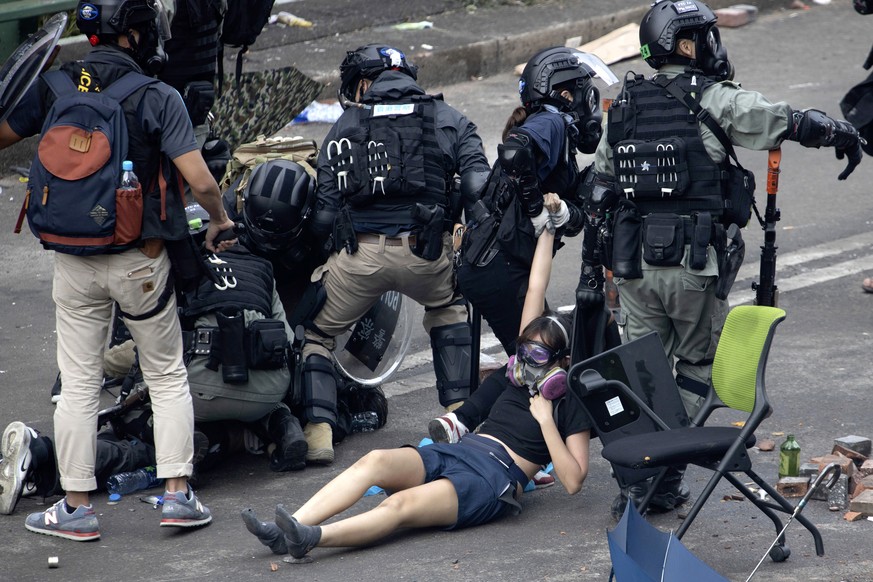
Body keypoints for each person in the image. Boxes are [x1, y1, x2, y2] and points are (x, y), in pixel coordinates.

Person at [582, 0, 864, 519]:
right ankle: (660, 475)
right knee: (696, 369)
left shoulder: (624, 105)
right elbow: (777, 119)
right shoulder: (710, 98)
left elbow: (599, 186)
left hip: (634, 268)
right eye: (704, 37)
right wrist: (836, 131)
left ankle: (639, 477)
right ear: (687, 45)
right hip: (691, 268)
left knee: (645, 375)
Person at [0, 0, 237, 540]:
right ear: (136, 36)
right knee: (165, 375)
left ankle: (76, 509)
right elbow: (200, 181)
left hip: (73, 260)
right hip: (142, 261)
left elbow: (4, 133)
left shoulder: (55, 85)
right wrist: (219, 218)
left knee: (81, 381)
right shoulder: (158, 96)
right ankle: (178, 497)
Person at [240, 226, 593, 560]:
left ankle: (311, 539)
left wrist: (546, 420)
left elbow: (575, 480)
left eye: (538, 355)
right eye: (524, 348)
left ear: (561, 361)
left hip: (494, 479)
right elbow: (535, 287)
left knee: (399, 507)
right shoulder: (516, 371)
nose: (526, 359)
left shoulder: (568, 400)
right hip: (460, 451)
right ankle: (284, 529)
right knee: (375, 460)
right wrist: (548, 228)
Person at [297, 44, 491, 465]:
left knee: (315, 334)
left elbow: (324, 214)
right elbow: (479, 189)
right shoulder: (449, 119)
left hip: (360, 259)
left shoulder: (345, 126)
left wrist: (315, 258)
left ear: (365, 83)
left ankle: (319, 433)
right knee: (449, 311)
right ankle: (458, 417)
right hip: (427, 255)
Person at [431, 47, 620, 446]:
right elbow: (514, 152)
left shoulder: (553, 130)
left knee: (529, 359)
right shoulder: (551, 121)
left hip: (490, 266)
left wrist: (568, 209)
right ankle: (490, 435)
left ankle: (464, 425)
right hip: (499, 268)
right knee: (539, 361)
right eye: (583, 90)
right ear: (565, 93)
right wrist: (537, 210)